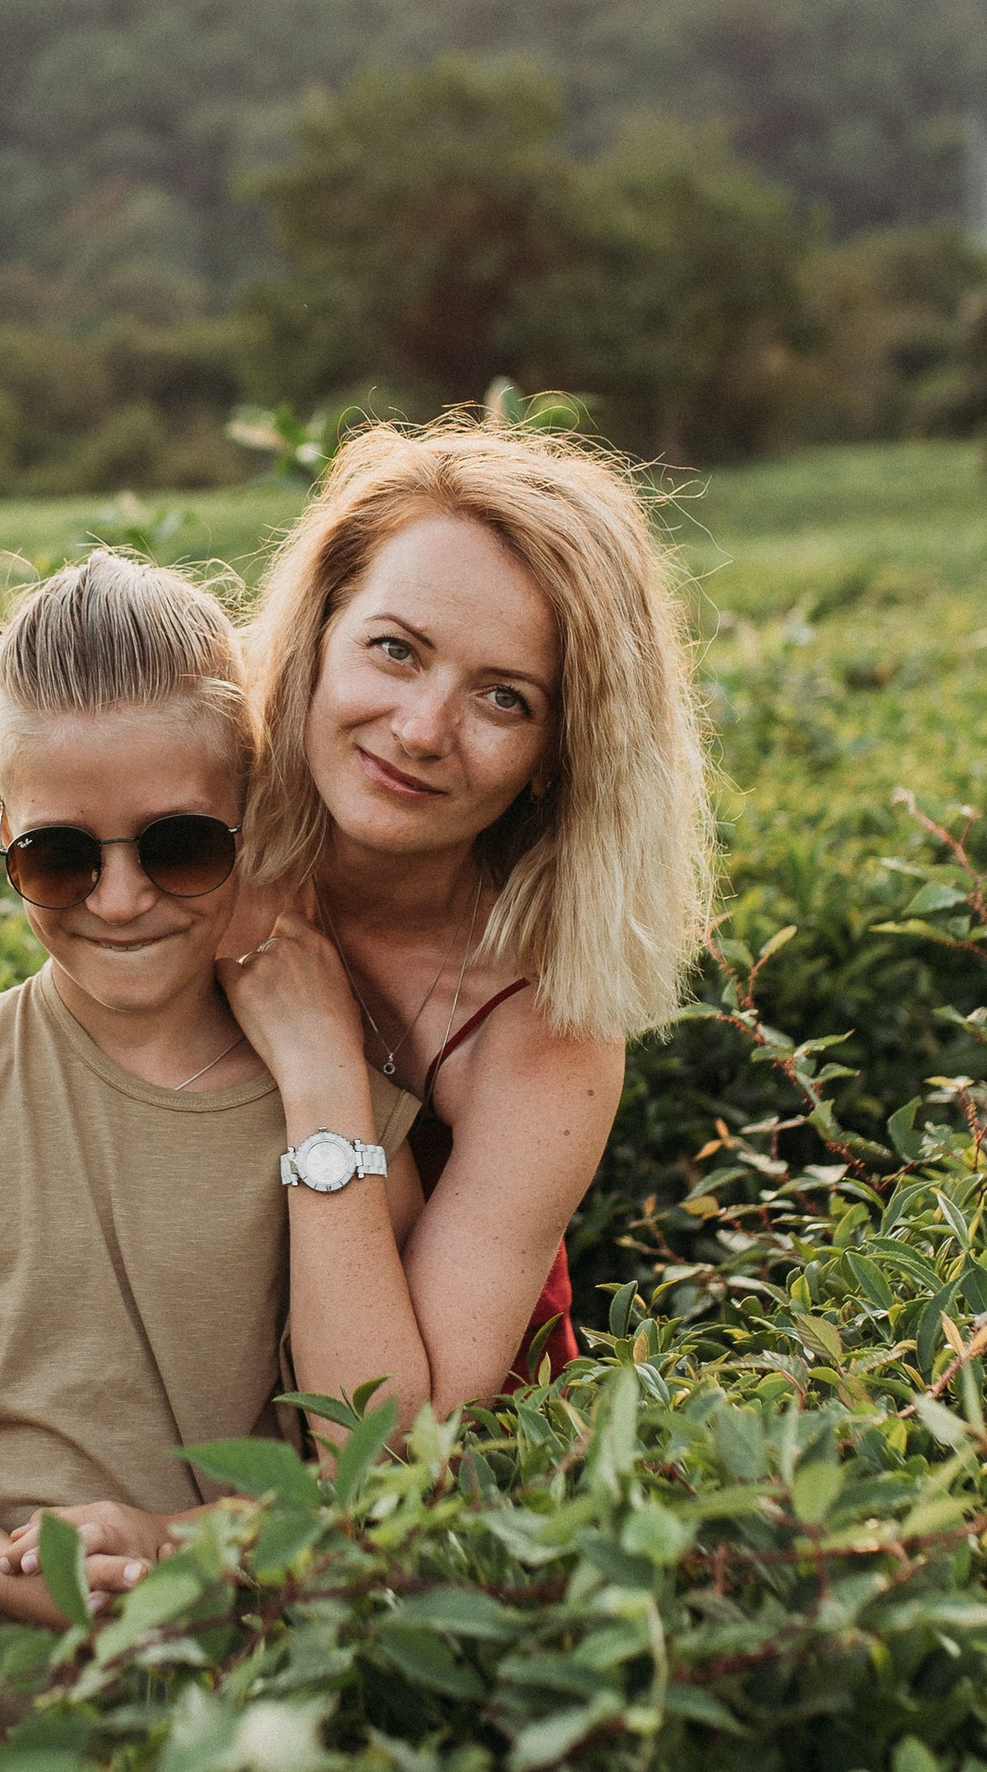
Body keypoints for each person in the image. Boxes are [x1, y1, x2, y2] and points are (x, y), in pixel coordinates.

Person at [0, 548, 425, 1622]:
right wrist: (6, 1575)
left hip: (249, 1691)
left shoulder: (346, 1118)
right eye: (59, 856)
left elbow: (367, 1458)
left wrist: (171, 1560)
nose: (123, 898)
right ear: (2, 831)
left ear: (254, 812)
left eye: (180, 844)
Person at [219, 416, 711, 1408]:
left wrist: (322, 1069)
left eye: (504, 700)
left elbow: (405, 1440)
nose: (420, 730)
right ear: (318, 631)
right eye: (395, 648)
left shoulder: (545, 1023)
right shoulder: (193, 838)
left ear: (556, 760)